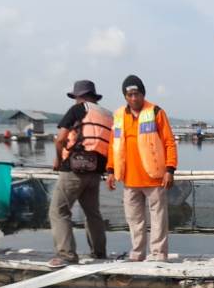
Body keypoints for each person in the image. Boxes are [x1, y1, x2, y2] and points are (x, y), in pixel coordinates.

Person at [106, 75, 178, 261]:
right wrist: (111, 171)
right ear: (125, 96)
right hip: (129, 179)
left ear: (143, 94)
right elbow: (113, 145)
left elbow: (169, 142)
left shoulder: (156, 112)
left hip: (154, 178)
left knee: (158, 219)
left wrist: (170, 170)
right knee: (134, 220)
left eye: (136, 94)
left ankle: (158, 254)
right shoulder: (118, 116)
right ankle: (137, 253)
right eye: (129, 94)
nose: (133, 98)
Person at [48, 79, 112, 268]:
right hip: (95, 171)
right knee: (93, 213)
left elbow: (60, 139)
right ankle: (99, 253)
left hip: (74, 169)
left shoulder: (78, 109)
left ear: (79, 96)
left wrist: (58, 160)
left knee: (58, 210)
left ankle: (66, 255)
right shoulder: (108, 114)